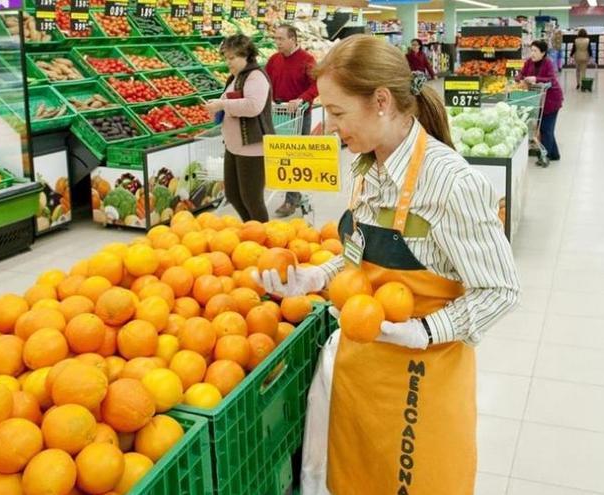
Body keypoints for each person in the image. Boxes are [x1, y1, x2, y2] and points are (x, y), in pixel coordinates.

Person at [253, 35, 520, 494]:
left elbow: (502, 290)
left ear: (381, 101)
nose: (330, 126)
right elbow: (360, 255)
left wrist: (426, 330)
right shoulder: (367, 167)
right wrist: (317, 276)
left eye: (337, 112)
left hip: (424, 378)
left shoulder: (451, 183)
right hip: (362, 369)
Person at [205, 35, 274, 222]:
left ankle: (262, 233)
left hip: (252, 147)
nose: (228, 62)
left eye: (232, 58)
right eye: (226, 58)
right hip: (234, 146)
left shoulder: (256, 77)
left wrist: (222, 105)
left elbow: (253, 106)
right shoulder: (236, 77)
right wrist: (218, 107)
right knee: (233, 195)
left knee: (252, 198)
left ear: (246, 55)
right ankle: (250, 228)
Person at [265, 24, 319, 218]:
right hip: (278, 113)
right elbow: (265, 82)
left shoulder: (307, 60)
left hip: (299, 116)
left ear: (293, 39)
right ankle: (292, 195)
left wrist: (301, 99)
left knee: (294, 156)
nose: (277, 42)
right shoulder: (273, 60)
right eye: (275, 38)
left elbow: (317, 85)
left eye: (281, 39)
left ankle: (291, 200)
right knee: (281, 155)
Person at [517, 39, 563, 162]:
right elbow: (521, 74)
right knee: (545, 128)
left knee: (546, 128)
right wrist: (519, 79)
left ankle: (545, 156)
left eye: (535, 51)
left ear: (543, 53)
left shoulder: (548, 63)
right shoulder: (529, 62)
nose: (532, 53)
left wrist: (536, 79)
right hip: (537, 100)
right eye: (531, 50)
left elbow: (551, 79)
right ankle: (554, 154)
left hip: (551, 100)